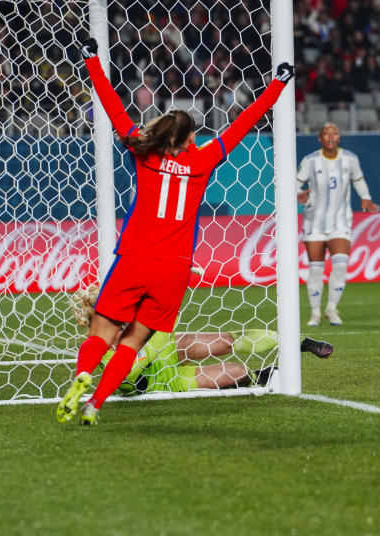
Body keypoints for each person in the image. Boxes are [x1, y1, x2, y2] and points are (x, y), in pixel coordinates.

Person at [56, 37, 294, 426]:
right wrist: (279, 84)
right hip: (174, 270)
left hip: (134, 258)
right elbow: (244, 122)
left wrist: (91, 60)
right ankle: (95, 405)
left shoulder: (142, 150)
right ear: (189, 139)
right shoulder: (203, 160)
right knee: (132, 345)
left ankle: (84, 377)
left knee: (100, 334)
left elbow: (112, 105)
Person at [70, 285, 334, 395]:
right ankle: (259, 377)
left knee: (224, 341)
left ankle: (299, 341)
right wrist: (162, 326)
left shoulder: (130, 318)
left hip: (167, 349)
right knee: (237, 372)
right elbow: (136, 367)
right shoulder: (101, 351)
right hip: (164, 384)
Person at [296, 122, 380, 326]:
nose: (331, 136)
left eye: (334, 133)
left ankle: (331, 309)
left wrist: (366, 197)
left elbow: (358, 180)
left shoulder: (350, 159)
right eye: (326, 133)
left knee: (341, 265)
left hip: (340, 221)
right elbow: (295, 182)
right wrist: (298, 193)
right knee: (316, 269)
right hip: (314, 222)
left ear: (339, 138)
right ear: (320, 138)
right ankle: (315, 313)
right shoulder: (311, 161)